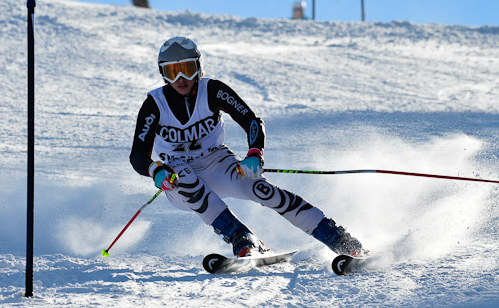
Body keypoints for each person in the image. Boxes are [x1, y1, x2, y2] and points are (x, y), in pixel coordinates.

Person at [129, 36, 364, 258]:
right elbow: (138, 155)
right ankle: (242, 239)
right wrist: (156, 171)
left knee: (263, 190)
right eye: (172, 71)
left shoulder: (212, 90)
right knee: (188, 181)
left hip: (216, 161)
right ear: (163, 73)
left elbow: (251, 121)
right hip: (176, 173)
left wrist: (254, 153)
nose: (180, 78)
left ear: (199, 68)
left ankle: (337, 238)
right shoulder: (154, 104)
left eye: (187, 69)